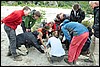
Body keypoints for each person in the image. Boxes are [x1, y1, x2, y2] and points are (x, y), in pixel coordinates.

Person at [84, 1, 99, 66]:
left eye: (91, 5)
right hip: (95, 32)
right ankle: (91, 58)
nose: (91, 7)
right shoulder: (96, 10)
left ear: (95, 4)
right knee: (91, 46)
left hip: (98, 34)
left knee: (96, 51)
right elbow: (96, 21)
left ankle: (96, 64)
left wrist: (94, 28)